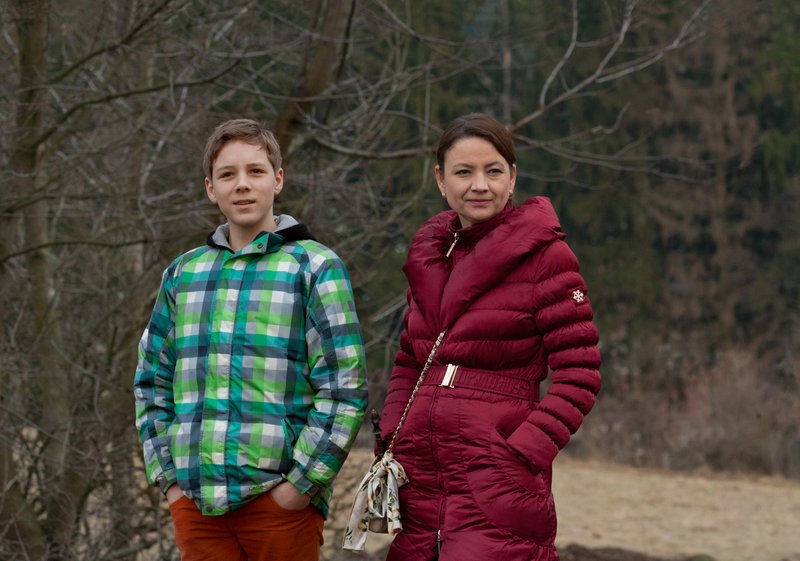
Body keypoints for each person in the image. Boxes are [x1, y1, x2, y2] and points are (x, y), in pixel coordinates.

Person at [133, 118, 368, 561]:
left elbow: (344, 389)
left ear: (277, 179)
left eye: (255, 171)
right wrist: (171, 482)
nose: (242, 184)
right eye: (227, 174)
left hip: (279, 504)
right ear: (210, 188)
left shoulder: (314, 267)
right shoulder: (184, 273)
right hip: (197, 507)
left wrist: (300, 486)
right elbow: (151, 382)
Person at [379, 113, 601, 560]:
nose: (479, 185)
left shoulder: (547, 257)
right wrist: (391, 435)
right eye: (464, 172)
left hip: (499, 482)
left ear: (512, 177)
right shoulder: (430, 258)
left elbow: (580, 372)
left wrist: (523, 451)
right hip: (419, 480)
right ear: (441, 180)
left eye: (493, 171)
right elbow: (410, 360)